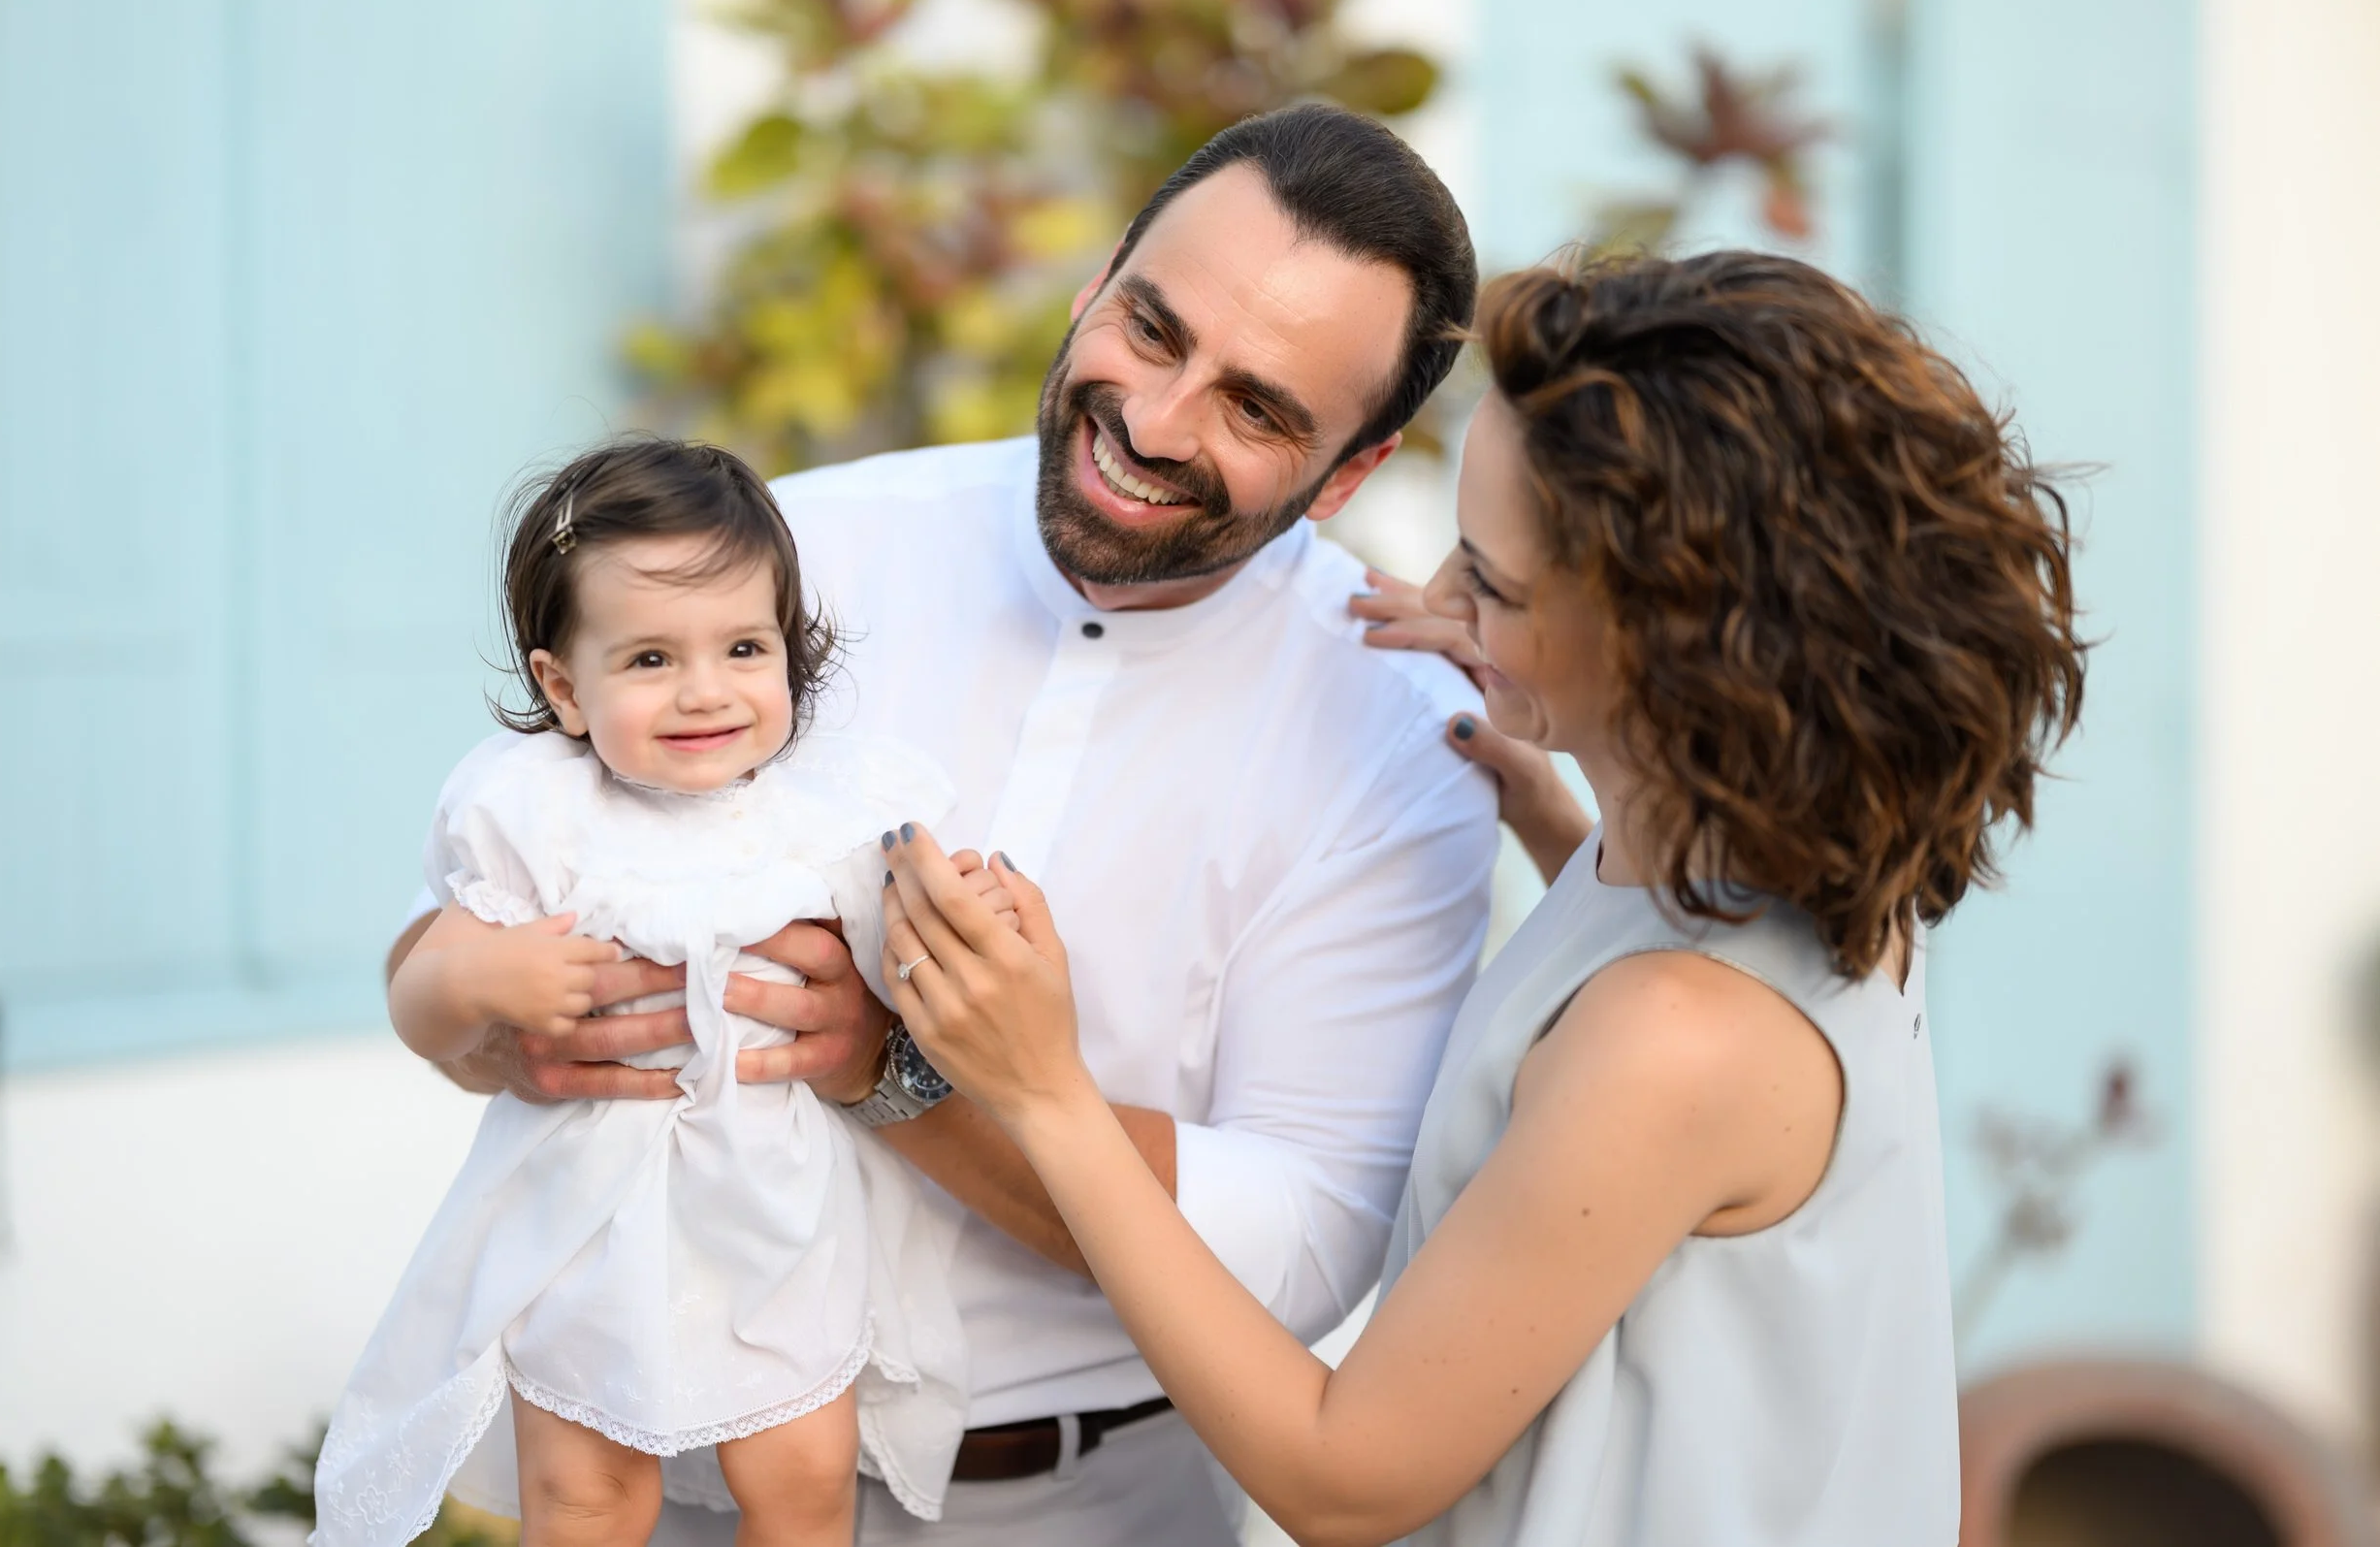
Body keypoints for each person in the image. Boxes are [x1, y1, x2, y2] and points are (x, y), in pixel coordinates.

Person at [384, 105, 1497, 1545]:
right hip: (682, 1477)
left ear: (1351, 470)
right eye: (1153, 332)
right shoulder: (799, 549)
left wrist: (899, 1072)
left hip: (1086, 1503)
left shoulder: (1398, 748)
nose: (1155, 423)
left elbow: (1304, 1242)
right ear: (1097, 282)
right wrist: (479, 1014)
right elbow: (474, 912)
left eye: (1258, 407)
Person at [878, 249, 2089, 1546]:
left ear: (1675, 652)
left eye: (1494, 587)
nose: (1438, 604)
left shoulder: (1677, 1038)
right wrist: (1553, 778)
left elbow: (1347, 1476)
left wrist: (1043, 1090)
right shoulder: (1787, 865)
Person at [321, 441, 999, 1547]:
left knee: (805, 1478)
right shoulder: (536, 815)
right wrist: (484, 974)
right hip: (589, 1212)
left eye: (743, 646)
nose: (704, 690)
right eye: (647, 657)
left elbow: (907, 950)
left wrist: (959, 912)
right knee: (588, 1496)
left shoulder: (822, 810)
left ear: (790, 653)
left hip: (778, 1210)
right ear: (562, 686)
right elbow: (423, 999)